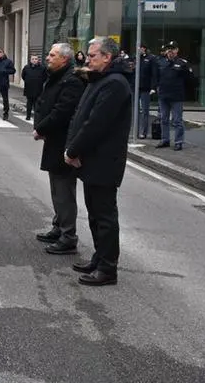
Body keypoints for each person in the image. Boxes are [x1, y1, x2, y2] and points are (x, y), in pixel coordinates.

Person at [64, 37, 132, 286]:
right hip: (94, 159)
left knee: (104, 216)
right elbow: (83, 117)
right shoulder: (101, 79)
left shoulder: (114, 84)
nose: (87, 59)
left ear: (107, 57)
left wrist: (73, 150)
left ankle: (108, 268)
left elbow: (96, 124)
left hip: (105, 160)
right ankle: (99, 257)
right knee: (94, 213)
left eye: (93, 56)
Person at [33, 43, 86, 255]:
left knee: (63, 190)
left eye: (52, 55)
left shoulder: (71, 80)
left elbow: (62, 111)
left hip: (63, 142)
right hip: (54, 140)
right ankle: (59, 226)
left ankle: (68, 236)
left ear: (64, 59)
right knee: (56, 188)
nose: (47, 58)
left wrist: (41, 128)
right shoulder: (58, 76)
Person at [152, 41, 194, 151]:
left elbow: (189, 79)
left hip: (176, 96)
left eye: (172, 49)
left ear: (177, 50)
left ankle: (178, 141)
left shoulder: (182, 63)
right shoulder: (160, 62)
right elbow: (156, 77)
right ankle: (165, 140)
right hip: (163, 95)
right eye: (168, 49)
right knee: (163, 119)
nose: (170, 51)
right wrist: (156, 88)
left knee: (177, 120)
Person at [136, 45, 157, 139]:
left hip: (145, 88)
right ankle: (135, 131)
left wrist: (153, 87)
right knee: (135, 111)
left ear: (144, 48)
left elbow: (154, 74)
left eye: (140, 48)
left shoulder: (151, 58)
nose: (139, 49)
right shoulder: (136, 58)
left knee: (144, 111)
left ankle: (143, 132)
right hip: (136, 88)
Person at [21, 54, 48, 121]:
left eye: (36, 59)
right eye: (33, 59)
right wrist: (27, 81)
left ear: (38, 60)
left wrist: (40, 81)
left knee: (37, 103)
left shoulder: (42, 68)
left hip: (38, 88)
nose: (34, 60)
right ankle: (28, 116)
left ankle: (36, 116)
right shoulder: (26, 67)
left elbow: (45, 77)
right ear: (30, 60)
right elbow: (23, 76)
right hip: (29, 87)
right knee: (29, 102)